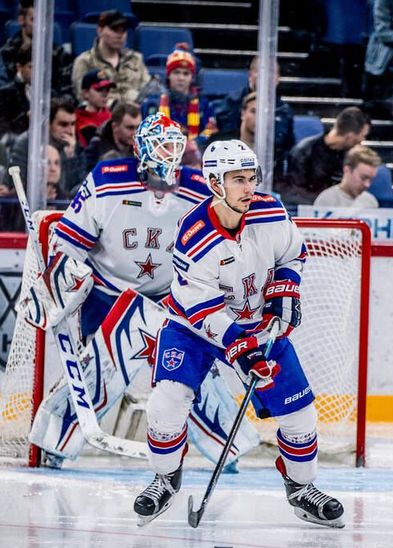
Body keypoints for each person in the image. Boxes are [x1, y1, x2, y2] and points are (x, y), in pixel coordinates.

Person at [27, 114, 263, 472]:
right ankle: (55, 440)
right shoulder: (106, 181)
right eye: (162, 146)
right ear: (141, 150)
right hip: (107, 295)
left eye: (175, 146)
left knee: (192, 367)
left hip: (170, 297)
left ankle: (228, 447)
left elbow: (227, 242)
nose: (170, 154)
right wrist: (60, 283)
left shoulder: (200, 189)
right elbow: (68, 244)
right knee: (101, 367)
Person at [133, 139, 345, 528]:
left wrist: (285, 292)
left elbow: (293, 254)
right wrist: (240, 348)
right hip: (193, 329)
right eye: (238, 180)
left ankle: (302, 488)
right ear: (215, 183)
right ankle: (165, 478)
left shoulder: (271, 212)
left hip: (258, 326)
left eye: (252, 178)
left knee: (300, 416)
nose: (249, 188)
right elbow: (201, 308)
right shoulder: (194, 233)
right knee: (167, 402)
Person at [209, 55, 295, 169]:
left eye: (272, 72)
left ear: (278, 78)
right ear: (251, 74)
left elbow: (288, 148)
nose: (266, 77)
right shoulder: (232, 102)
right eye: (261, 71)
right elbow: (224, 137)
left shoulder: (284, 110)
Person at [282, 106, 371, 205]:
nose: (362, 141)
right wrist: (324, 203)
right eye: (362, 136)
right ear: (349, 137)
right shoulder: (303, 152)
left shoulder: (352, 157)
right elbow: (293, 193)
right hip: (310, 208)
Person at [70, 10, 148, 105]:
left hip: (136, 111)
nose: (121, 35)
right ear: (100, 30)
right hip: (103, 112)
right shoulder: (85, 61)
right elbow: (83, 98)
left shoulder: (136, 59)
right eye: (115, 30)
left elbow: (148, 91)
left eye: (123, 30)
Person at [9, 96, 82, 197]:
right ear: (48, 125)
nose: (70, 131)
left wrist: (70, 158)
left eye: (73, 124)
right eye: (63, 125)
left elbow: (76, 189)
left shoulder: (74, 147)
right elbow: (18, 186)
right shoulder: (27, 144)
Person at [313, 144, 382, 209]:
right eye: (363, 178)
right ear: (347, 170)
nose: (367, 184)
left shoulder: (371, 201)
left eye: (371, 179)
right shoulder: (326, 200)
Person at [83, 101, 141, 170]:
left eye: (138, 127)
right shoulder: (96, 147)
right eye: (130, 128)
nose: (135, 133)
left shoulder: (142, 148)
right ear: (114, 127)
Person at [0, 44, 32, 137]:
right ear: (19, 67)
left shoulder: (47, 92)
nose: (36, 72)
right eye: (31, 67)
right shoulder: (5, 93)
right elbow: (3, 126)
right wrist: (26, 117)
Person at [75, 69, 114, 149]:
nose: (105, 94)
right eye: (99, 90)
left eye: (107, 90)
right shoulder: (75, 119)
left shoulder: (112, 117)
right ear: (85, 93)